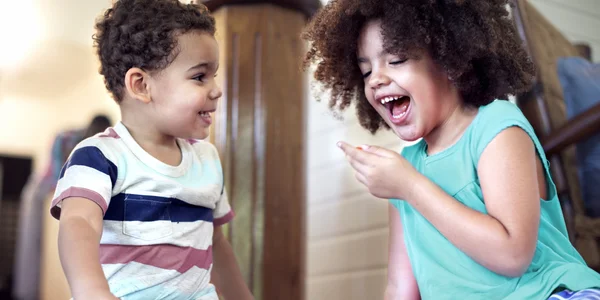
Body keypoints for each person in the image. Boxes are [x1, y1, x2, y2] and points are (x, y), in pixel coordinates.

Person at [302, 0, 600, 299]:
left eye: (396, 59)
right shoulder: (405, 169)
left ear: (449, 62)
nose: (377, 80)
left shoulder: (497, 126)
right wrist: (404, 184)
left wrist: (409, 186)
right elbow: (400, 289)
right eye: (366, 72)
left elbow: (512, 255)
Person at [49, 1, 253, 299]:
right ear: (141, 85)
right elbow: (78, 222)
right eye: (199, 77)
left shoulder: (207, 159)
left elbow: (217, 244)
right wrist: (91, 292)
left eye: (214, 75)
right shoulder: (97, 157)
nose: (216, 89)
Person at [13, 114, 111, 300]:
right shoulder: (67, 137)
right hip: (42, 184)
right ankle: (26, 293)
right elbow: (58, 174)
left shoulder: (105, 147)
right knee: (31, 241)